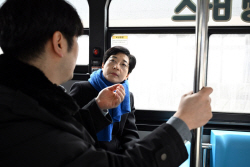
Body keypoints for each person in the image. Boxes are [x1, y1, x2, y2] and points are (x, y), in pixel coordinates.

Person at [0, 0, 213, 167]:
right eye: (77, 39)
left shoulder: (27, 98)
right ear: (59, 42)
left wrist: (98, 107)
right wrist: (182, 122)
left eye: (124, 65)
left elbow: (69, 127)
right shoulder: (24, 119)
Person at [70, 46, 139, 153]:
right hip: (85, 153)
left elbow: (129, 133)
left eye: (123, 64)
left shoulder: (127, 96)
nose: (116, 67)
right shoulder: (82, 88)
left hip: (115, 155)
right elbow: (70, 125)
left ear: (127, 75)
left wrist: (133, 155)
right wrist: (98, 106)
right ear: (103, 65)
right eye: (113, 61)